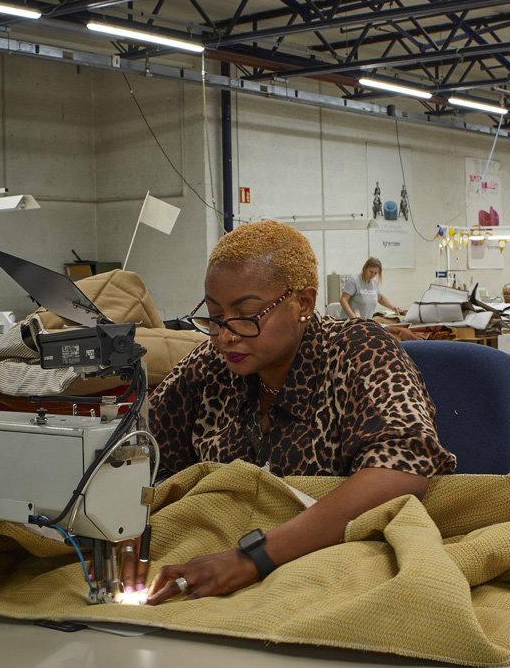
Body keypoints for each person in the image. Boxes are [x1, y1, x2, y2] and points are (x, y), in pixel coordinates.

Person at [121, 221, 456, 605]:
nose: (225, 335)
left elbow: (401, 470)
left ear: (303, 303)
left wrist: (252, 558)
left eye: (246, 314)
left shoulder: (359, 351)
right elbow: (141, 455)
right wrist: (128, 529)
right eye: (214, 316)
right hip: (224, 567)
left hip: (333, 570)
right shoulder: (210, 367)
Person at [340, 257, 406, 319]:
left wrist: (393, 308)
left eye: (375, 273)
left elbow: (380, 298)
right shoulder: (354, 280)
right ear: (365, 268)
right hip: (350, 321)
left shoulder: (374, 282)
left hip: (365, 321)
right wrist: (354, 318)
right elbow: (343, 300)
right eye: (371, 272)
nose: (373, 275)